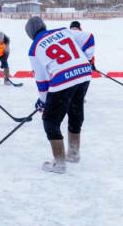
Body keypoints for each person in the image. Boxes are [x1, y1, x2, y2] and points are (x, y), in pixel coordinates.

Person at [26, 16, 95, 174]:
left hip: (64, 77)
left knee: (50, 121)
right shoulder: (63, 31)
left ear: (30, 34)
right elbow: (89, 38)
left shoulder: (34, 48)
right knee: (75, 111)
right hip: (84, 73)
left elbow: (42, 80)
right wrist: (88, 59)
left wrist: (43, 102)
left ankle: (59, 163)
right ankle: (73, 153)